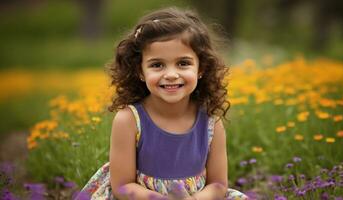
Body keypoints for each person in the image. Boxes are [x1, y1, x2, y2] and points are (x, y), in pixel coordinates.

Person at [78, 7, 247, 200]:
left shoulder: (210, 120)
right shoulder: (129, 120)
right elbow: (123, 186)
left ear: (201, 68)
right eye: (157, 65)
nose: (171, 74)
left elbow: (218, 184)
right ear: (140, 72)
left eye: (183, 63)